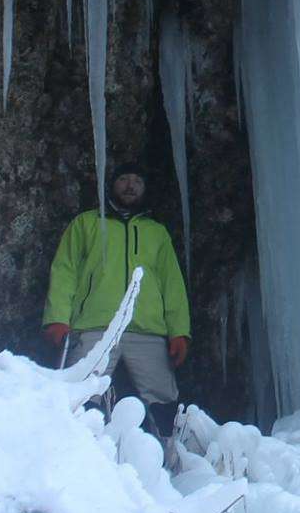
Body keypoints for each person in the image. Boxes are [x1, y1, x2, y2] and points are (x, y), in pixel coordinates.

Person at [42, 162, 190, 449]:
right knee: (82, 390)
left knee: (163, 395)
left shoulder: (156, 232)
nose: (130, 185)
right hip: (96, 325)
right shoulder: (86, 224)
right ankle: (78, 452)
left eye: (137, 180)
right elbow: (65, 271)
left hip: (145, 328)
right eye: (124, 179)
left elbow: (172, 285)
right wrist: (58, 318)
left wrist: (179, 332)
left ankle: (171, 457)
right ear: (111, 184)